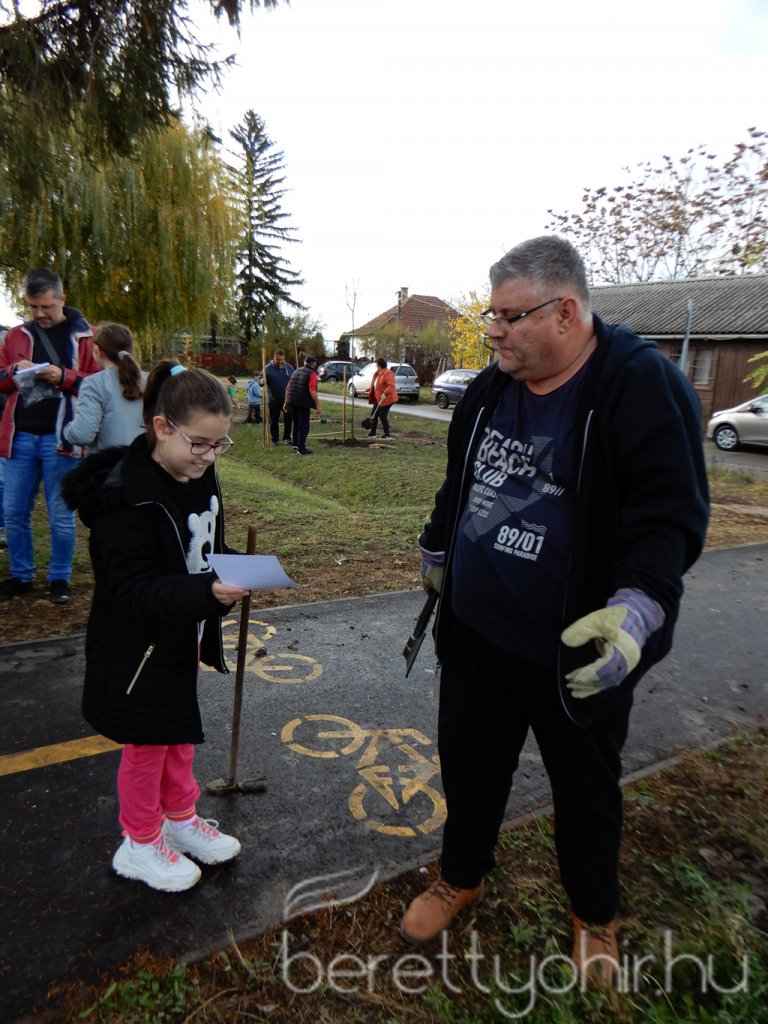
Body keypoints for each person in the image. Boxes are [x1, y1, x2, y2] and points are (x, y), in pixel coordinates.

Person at [400, 236, 709, 984]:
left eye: (509, 316)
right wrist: (438, 547)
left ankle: (593, 913)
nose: (493, 331)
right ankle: (461, 874)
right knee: (470, 766)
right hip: (477, 635)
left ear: (566, 312)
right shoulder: (491, 387)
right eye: (491, 315)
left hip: (576, 646)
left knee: (585, 788)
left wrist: (639, 606)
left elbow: (667, 515)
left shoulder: (639, 385)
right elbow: (461, 478)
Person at [61, 362, 250, 892]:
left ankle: (179, 817)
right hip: (137, 649)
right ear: (162, 427)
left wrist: (234, 568)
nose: (210, 456)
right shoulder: (125, 499)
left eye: (220, 445)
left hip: (181, 634)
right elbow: (132, 591)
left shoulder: (197, 472)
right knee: (147, 744)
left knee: (178, 731)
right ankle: (140, 842)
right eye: (200, 444)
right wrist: (208, 592)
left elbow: (203, 545)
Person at [0, 268, 98, 604]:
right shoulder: (15, 336)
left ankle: (59, 578)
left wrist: (64, 377)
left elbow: (100, 385)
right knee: (13, 511)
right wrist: (13, 372)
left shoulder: (86, 336)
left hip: (63, 441)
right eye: (33, 307)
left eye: (46, 306)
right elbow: (1, 381)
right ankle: (21, 575)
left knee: (60, 515)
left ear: (62, 299)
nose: (39, 314)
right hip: (19, 438)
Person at [63, 323, 146, 453]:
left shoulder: (93, 384)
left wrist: (68, 430)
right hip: (144, 458)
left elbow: (82, 435)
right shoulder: (151, 380)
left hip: (108, 461)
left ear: (97, 351)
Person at [284, 354, 321, 456]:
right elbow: (312, 389)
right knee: (304, 426)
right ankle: (301, 448)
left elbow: (288, 387)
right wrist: (318, 405)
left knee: (296, 424)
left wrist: (286, 402)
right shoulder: (312, 374)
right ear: (314, 364)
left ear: (305, 362)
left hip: (292, 402)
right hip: (303, 403)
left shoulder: (296, 371)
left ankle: (295, 445)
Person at [264, 348, 294, 446]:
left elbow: (294, 379)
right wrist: (261, 381)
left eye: (282, 360)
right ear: (274, 358)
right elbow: (260, 379)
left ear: (284, 358)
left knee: (288, 419)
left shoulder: (289, 367)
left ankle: (287, 438)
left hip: (287, 399)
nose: (280, 361)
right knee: (274, 420)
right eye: (278, 360)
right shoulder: (268, 368)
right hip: (274, 400)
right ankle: (275, 439)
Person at [367, 357, 398, 439]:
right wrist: (369, 389)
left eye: (376, 364)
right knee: (374, 414)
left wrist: (385, 393)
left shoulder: (388, 373)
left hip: (388, 398)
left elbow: (391, 386)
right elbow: (376, 384)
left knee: (382, 415)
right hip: (378, 398)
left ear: (380, 365)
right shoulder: (378, 373)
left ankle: (387, 434)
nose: (375, 366)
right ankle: (373, 433)